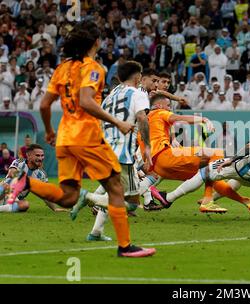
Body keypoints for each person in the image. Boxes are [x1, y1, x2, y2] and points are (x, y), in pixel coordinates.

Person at [3, 21, 155, 258]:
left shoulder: (62, 68)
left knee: (68, 196)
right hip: (87, 136)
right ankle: (125, 246)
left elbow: (44, 104)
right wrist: (117, 122)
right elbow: (85, 101)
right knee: (115, 187)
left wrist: (48, 131)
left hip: (65, 136)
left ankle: (26, 183)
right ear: (96, 42)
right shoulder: (94, 68)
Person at [69, 61, 152, 241]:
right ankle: (88, 196)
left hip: (105, 149)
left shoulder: (110, 96)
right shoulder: (138, 94)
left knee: (114, 193)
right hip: (123, 154)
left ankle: (96, 232)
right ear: (138, 76)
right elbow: (142, 119)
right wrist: (147, 146)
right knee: (131, 204)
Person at [0, 144, 65, 213]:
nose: (40, 158)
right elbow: (11, 173)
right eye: (37, 155)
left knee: (25, 205)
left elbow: (45, 194)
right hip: (4, 192)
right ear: (29, 156)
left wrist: (55, 208)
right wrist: (28, 181)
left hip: (15, 199)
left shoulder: (41, 175)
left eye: (42, 155)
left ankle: (3, 208)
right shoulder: (19, 162)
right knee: (5, 185)